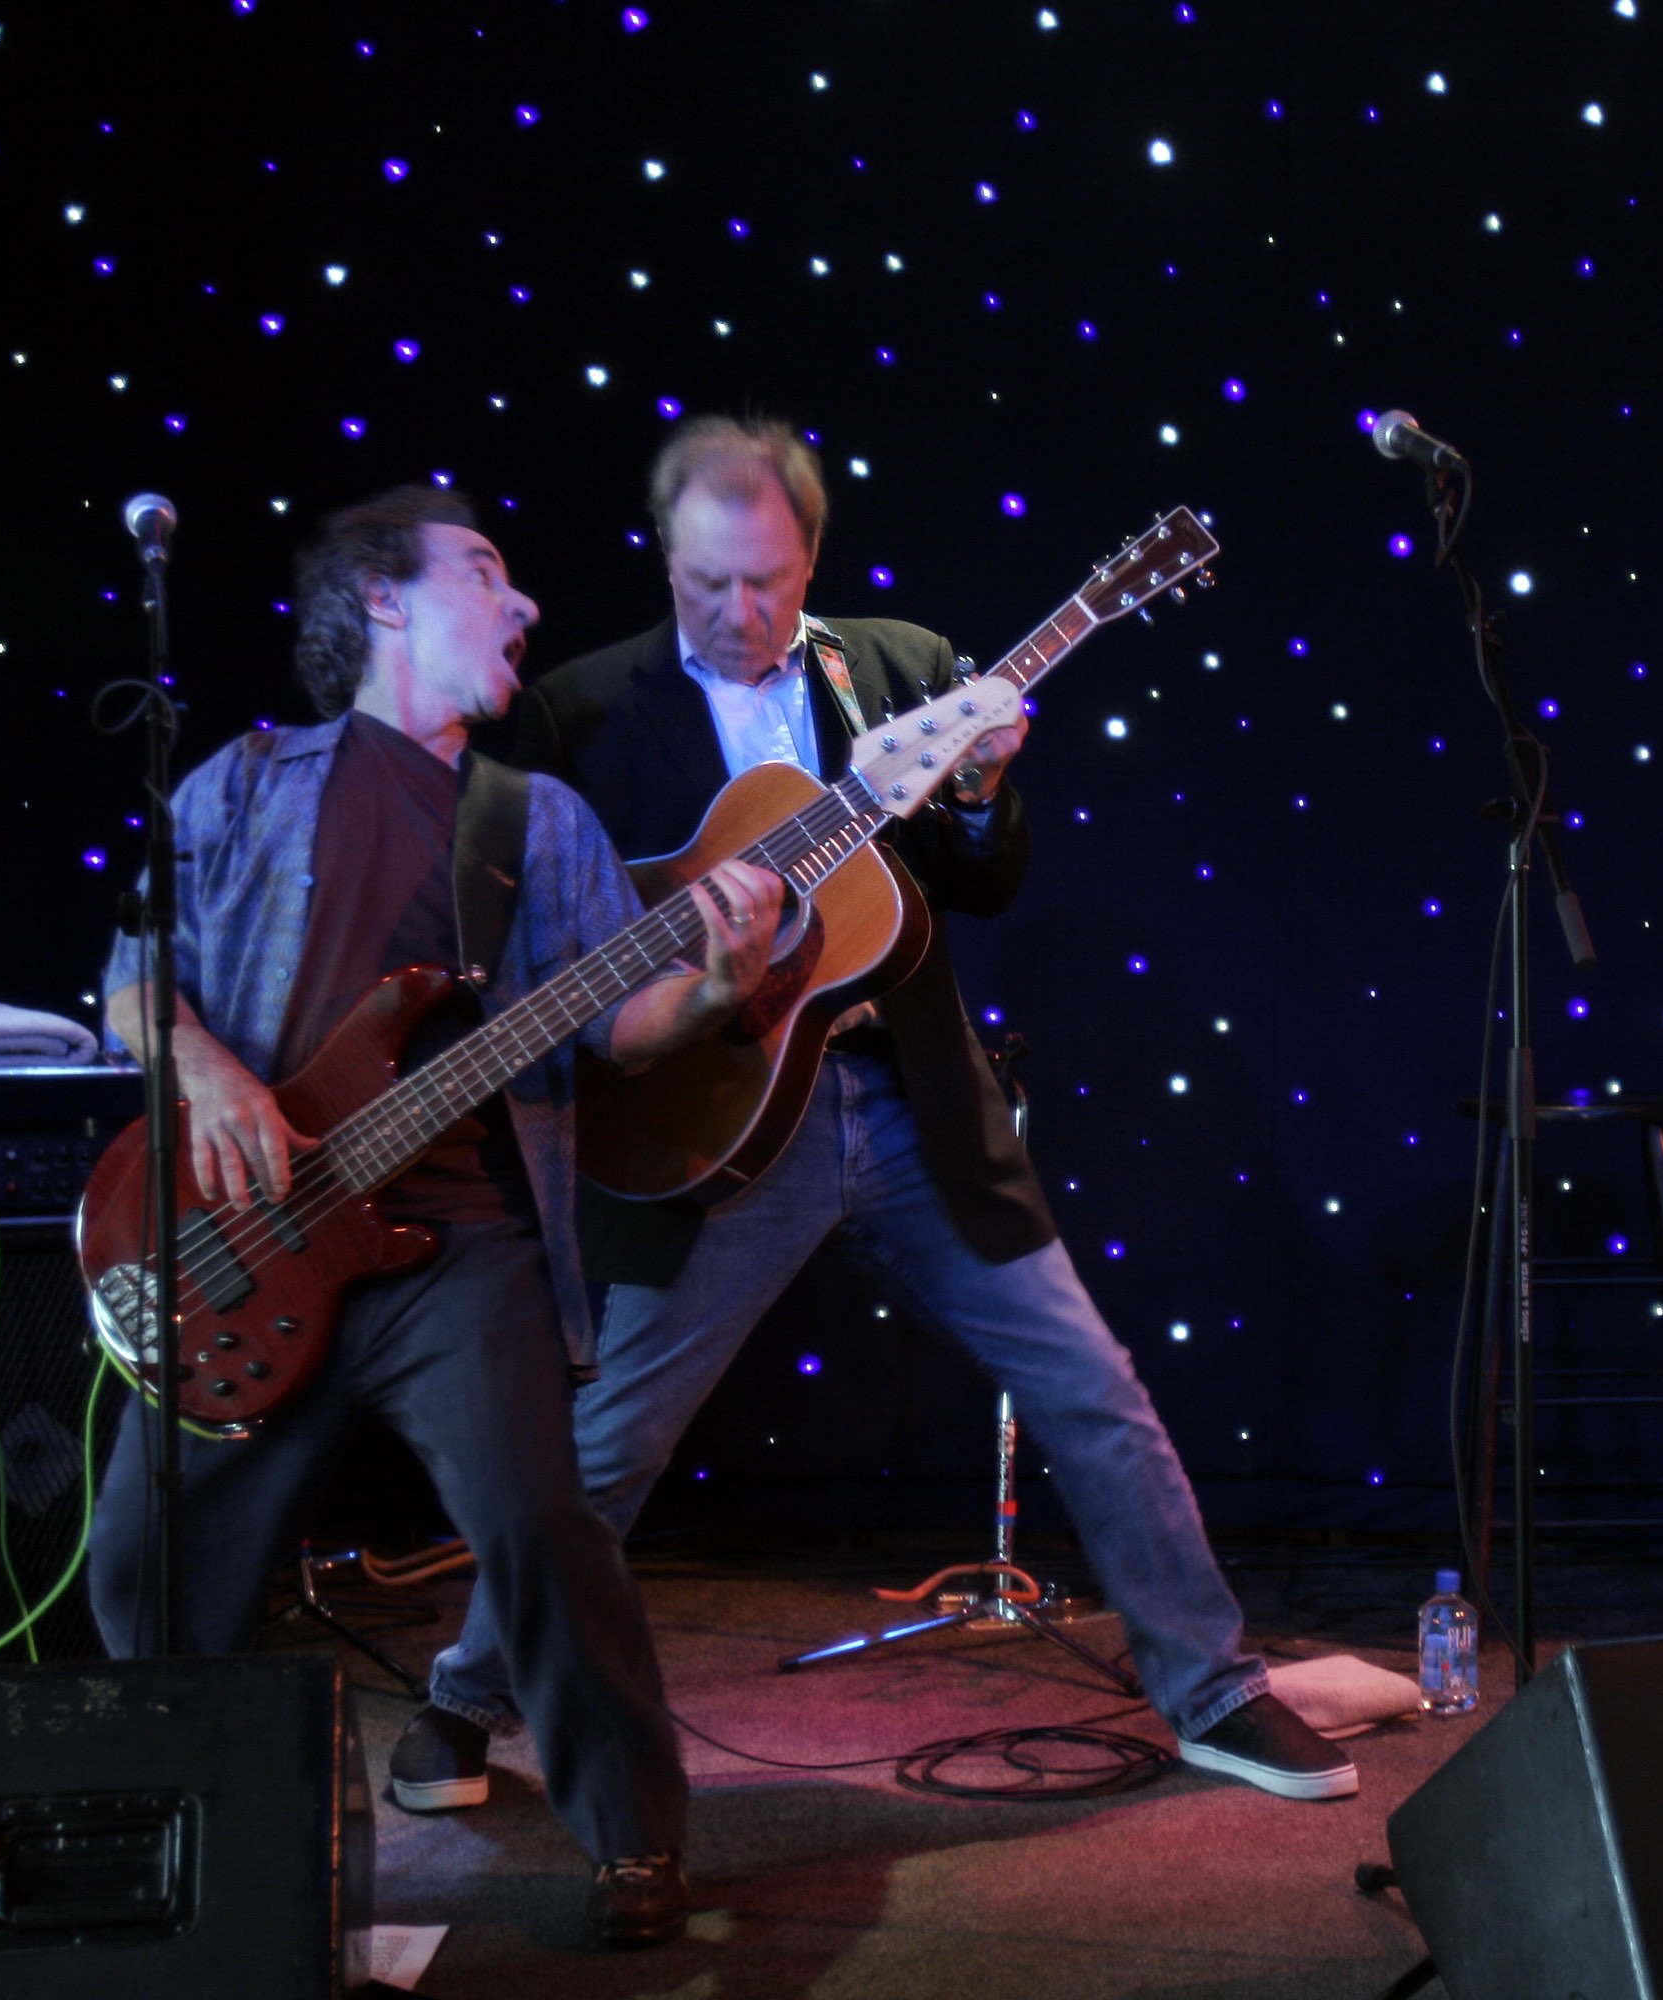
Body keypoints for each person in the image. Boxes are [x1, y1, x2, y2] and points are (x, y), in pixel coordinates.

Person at [395, 416, 1355, 1808]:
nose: (742, 611)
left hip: (907, 1108)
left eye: (770, 580)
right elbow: (530, 935)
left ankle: (1212, 1690)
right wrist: (687, 960)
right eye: (710, 582)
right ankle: (465, 1700)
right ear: (665, 558)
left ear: (811, 557)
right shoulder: (581, 712)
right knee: (607, 1449)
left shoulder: (894, 669)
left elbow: (983, 880)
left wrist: (977, 785)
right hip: (712, 1126)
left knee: (1096, 1391)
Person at [92, 488, 785, 1944]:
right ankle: (175, 1826)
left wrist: (722, 982)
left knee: (544, 1528)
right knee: (151, 1555)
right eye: (488, 572)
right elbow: (129, 979)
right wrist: (205, 1069)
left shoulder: (537, 820)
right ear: (383, 599)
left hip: (456, 1244)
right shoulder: (239, 780)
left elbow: (623, 1022)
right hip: (245, 1232)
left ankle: (634, 1838)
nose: (526, 603)